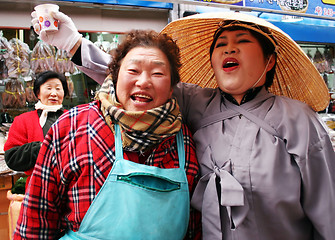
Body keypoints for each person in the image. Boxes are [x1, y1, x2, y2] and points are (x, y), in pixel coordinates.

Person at [32, 11, 335, 240]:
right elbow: (140, 79)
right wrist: (74, 44)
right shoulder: (197, 103)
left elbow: (328, 209)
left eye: (242, 42)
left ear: (269, 61)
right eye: (222, 45)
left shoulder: (298, 119)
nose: (230, 50)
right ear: (213, 61)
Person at [14, 30, 201, 240]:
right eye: (133, 70)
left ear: (171, 89)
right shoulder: (71, 127)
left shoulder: (183, 139)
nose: (144, 82)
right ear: (114, 75)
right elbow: (35, 222)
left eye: (158, 73)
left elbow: (193, 228)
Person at [4, 70, 69, 188]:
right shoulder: (23, 120)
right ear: (38, 93)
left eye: (58, 89)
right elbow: (12, 157)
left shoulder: (75, 118)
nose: (54, 93)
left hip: (71, 188)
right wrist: (39, 148)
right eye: (48, 88)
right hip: (38, 187)